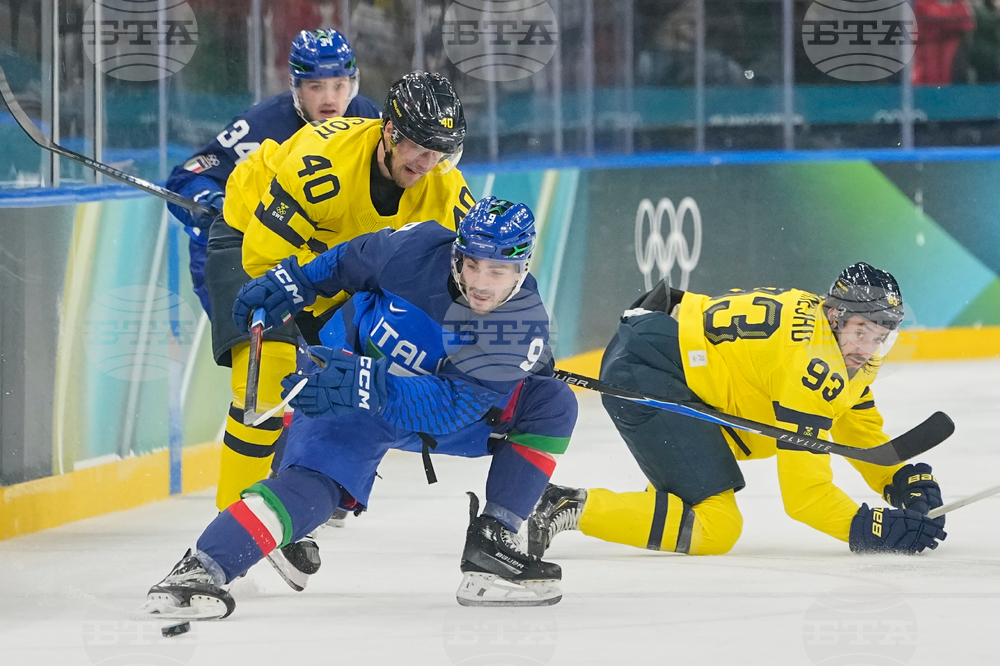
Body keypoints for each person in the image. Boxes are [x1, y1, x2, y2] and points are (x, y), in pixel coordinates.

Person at [141, 198, 578, 619]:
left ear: (522, 269)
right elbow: (348, 260)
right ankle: (204, 567)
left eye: (498, 271)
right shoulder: (414, 248)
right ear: (456, 254)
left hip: (417, 404)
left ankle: (493, 541)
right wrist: (295, 282)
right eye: (472, 264)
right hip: (337, 374)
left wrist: (370, 385)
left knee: (552, 403)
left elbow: (450, 407)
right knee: (313, 489)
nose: (481, 283)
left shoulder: (518, 325)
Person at [200, 69, 476, 591]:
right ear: (389, 131)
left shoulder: (444, 188)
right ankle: (233, 522)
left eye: (440, 152)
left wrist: (503, 341)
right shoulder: (320, 160)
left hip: (338, 270)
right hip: (250, 243)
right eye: (418, 146)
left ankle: (281, 501)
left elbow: (474, 277)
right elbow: (266, 260)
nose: (426, 163)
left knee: (331, 380)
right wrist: (333, 304)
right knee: (264, 382)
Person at [528, 263, 947, 559]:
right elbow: (806, 497)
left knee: (699, 491)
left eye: (881, 338)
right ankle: (564, 503)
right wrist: (871, 528)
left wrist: (895, 477)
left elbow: (854, 420)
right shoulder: (812, 362)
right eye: (862, 332)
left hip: (670, 353)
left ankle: (660, 491)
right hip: (651, 368)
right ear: (836, 316)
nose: (867, 349)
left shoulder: (839, 341)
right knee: (715, 526)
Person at [166, 28, 380, 316]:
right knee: (270, 356)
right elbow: (188, 178)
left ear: (352, 84)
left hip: (314, 259)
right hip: (234, 256)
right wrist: (209, 201)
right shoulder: (263, 125)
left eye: (339, 86)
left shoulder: (367, 118)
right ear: (296, 87)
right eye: (316, 87)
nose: (330, 99)